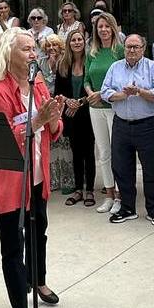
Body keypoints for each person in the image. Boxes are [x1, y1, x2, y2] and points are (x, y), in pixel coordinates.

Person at [0, 29, 64, 308]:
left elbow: (53, 129)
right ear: (9, 54)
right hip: (9, 182)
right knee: (12, 248)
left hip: (37, 177)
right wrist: (38, 122)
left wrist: (53, 118)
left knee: (38, 231)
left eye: (34, 49)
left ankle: (38, 280)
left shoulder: (39, 83)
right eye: (27, 49)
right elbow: (0, 140)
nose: (33, 54)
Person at [101, 34, 154, 226]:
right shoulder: (115, 67)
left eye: (136, 47)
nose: (132, 50)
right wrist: (122, 95)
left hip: (147, 125)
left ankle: (153, 210)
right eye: (129, 47)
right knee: (121, 168)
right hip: (121, 124)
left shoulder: (153, 68)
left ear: (143, 48)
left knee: (151, 170)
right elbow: (105, 92)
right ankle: (127, 208)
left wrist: (139, 92)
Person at [84, 12, 124, 213]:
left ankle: (120, 195)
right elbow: (86, 79)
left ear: (113, 28)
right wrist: (91, 93)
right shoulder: (91, 52)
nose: (104, 30)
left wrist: (103, 94)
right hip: (95, 109)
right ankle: (109, 194)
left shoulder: (120, 51)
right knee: (103, 153)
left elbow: (125, 80)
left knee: (117, 153)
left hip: (114, 108)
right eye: (100, 27)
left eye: (107, 26)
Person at [56, 28, 96, 208]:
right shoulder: (62, 65)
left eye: (80, 39)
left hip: (87, 113)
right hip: (70, 115)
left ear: (84, 41)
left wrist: (79, 102)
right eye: (74, 40)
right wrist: (68, 102)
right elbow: (57, 92)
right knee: (76, 153)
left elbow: (95, 89)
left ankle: (90, 190)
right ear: (69, 43)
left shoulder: (91, 62)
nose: (77, 42)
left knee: (88, 153)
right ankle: (78, 189)